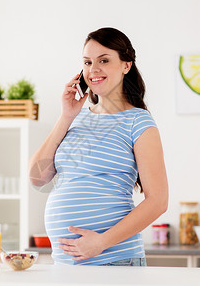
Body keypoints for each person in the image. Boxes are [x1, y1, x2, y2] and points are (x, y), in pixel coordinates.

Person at [29, 27, 168, 266]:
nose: (93, 69)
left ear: (126, 65)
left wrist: (101, 242)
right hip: (66, 265)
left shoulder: (138, 121)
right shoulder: (76, 118)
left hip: (114, 260)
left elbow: (158, 201)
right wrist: (66, 116)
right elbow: (37, 178)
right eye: (87, 62)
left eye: (104, 60)